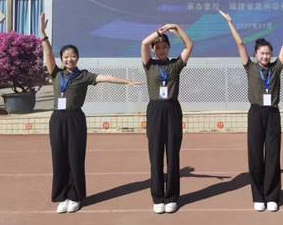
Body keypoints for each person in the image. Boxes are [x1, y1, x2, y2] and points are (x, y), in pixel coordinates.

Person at [40, 14, 143, 214]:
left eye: (73, 56)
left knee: (75, 158)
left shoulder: (84, 75)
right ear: (62, 59)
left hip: (75, 119)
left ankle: (75, 196)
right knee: (59, 158)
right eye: (66, 56)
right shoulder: (57, 74)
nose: (69, 59)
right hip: (57, 119)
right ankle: (62, 195)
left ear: (77, 58)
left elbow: (106, 77)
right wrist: (43, 35)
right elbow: (48, 54)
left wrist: (127, 81)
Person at [219, 10, 283, 212]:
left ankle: (272, 196)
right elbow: (240, 44)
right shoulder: (250, 67)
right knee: (256, 156)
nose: (266, 56)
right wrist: (230, 22)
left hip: (273, 114)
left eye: (268, 53)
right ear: (256, 55)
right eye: (262, 53)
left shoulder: (276, 68)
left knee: (273, 155)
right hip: (256, 114)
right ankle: (258, 196)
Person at [141, 24, 194, 214]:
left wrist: (176, 28)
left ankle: (171, 197)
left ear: (169, 48)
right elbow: (143, 43)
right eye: (158, 47)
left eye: (164, 47)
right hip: (155, 111)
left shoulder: (175, 65)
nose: (161, 50)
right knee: (155, 155)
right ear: (153, 49)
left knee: (172, 154)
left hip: (172, 110)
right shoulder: (149, 64)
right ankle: (158, 197)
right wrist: (158, 33)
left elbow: (189, 45)